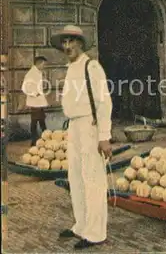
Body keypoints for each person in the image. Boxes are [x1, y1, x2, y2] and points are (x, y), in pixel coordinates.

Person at [50, 25, 112, 249]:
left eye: (71, 42)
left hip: (90, 126)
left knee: (93, 179)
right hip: (74, 127)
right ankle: (81, 226)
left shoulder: (91, 66)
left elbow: (104, 102)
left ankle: (96, 233)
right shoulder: (71, 68)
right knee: (76, 178)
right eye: (64, 42)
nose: (67, 46)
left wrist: (104, 136)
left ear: (81, 44)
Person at [22, 56, 49, 146]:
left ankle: (46, 138)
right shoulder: (31, 73)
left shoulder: (38, 72)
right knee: (35, 121)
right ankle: (34, 140)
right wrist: (34, 94)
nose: (44, 66)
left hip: (39, 101)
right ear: (39, 63)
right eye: (43, 64)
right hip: (34, 102)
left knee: (41, 119)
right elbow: (24, 87)